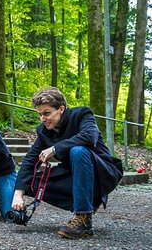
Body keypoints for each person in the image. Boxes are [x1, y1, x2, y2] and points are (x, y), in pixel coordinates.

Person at [11, 87, 124, 239]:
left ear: (61, 109)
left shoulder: (82, 114)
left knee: (78, 151)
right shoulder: (43, 131)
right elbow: (31, 160)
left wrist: (55, 148)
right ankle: (88, 201)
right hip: (72, 174)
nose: (42, 118)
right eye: (39, 114)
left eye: (47, 113)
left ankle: (83, 217)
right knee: (32, 181)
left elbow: (89, 137)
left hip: (102, 172)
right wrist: (18, 194)